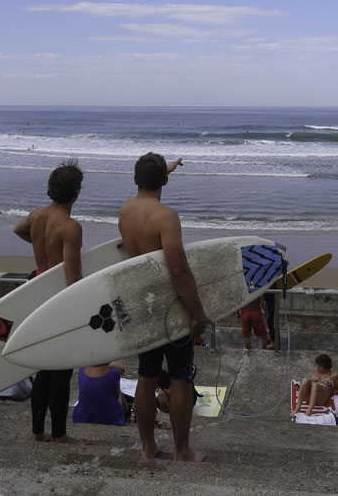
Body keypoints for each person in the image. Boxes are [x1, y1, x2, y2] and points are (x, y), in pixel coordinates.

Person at [118, 152, 210, 462]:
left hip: (143, 304)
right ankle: (181, 451)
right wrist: (197, 312)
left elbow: (149, 184)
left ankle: (148, 447)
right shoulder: (166, 216)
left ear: (134, 180)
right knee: (181, 378)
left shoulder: (125, 211)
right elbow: (179, 270)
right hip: (171, 308)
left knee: (146, 375)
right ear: (165, 182)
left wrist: (166, 167)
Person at [13, 160, 90, 445]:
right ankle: (59, 434)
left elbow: (18, 230)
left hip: (37, 289)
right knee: (60, 369)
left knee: (43, 367)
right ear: (76, 192)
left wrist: (37, 243)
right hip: (58, 299)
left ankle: (38, 431)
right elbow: (73, 278)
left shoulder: (36, 216)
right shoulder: (70, 227)